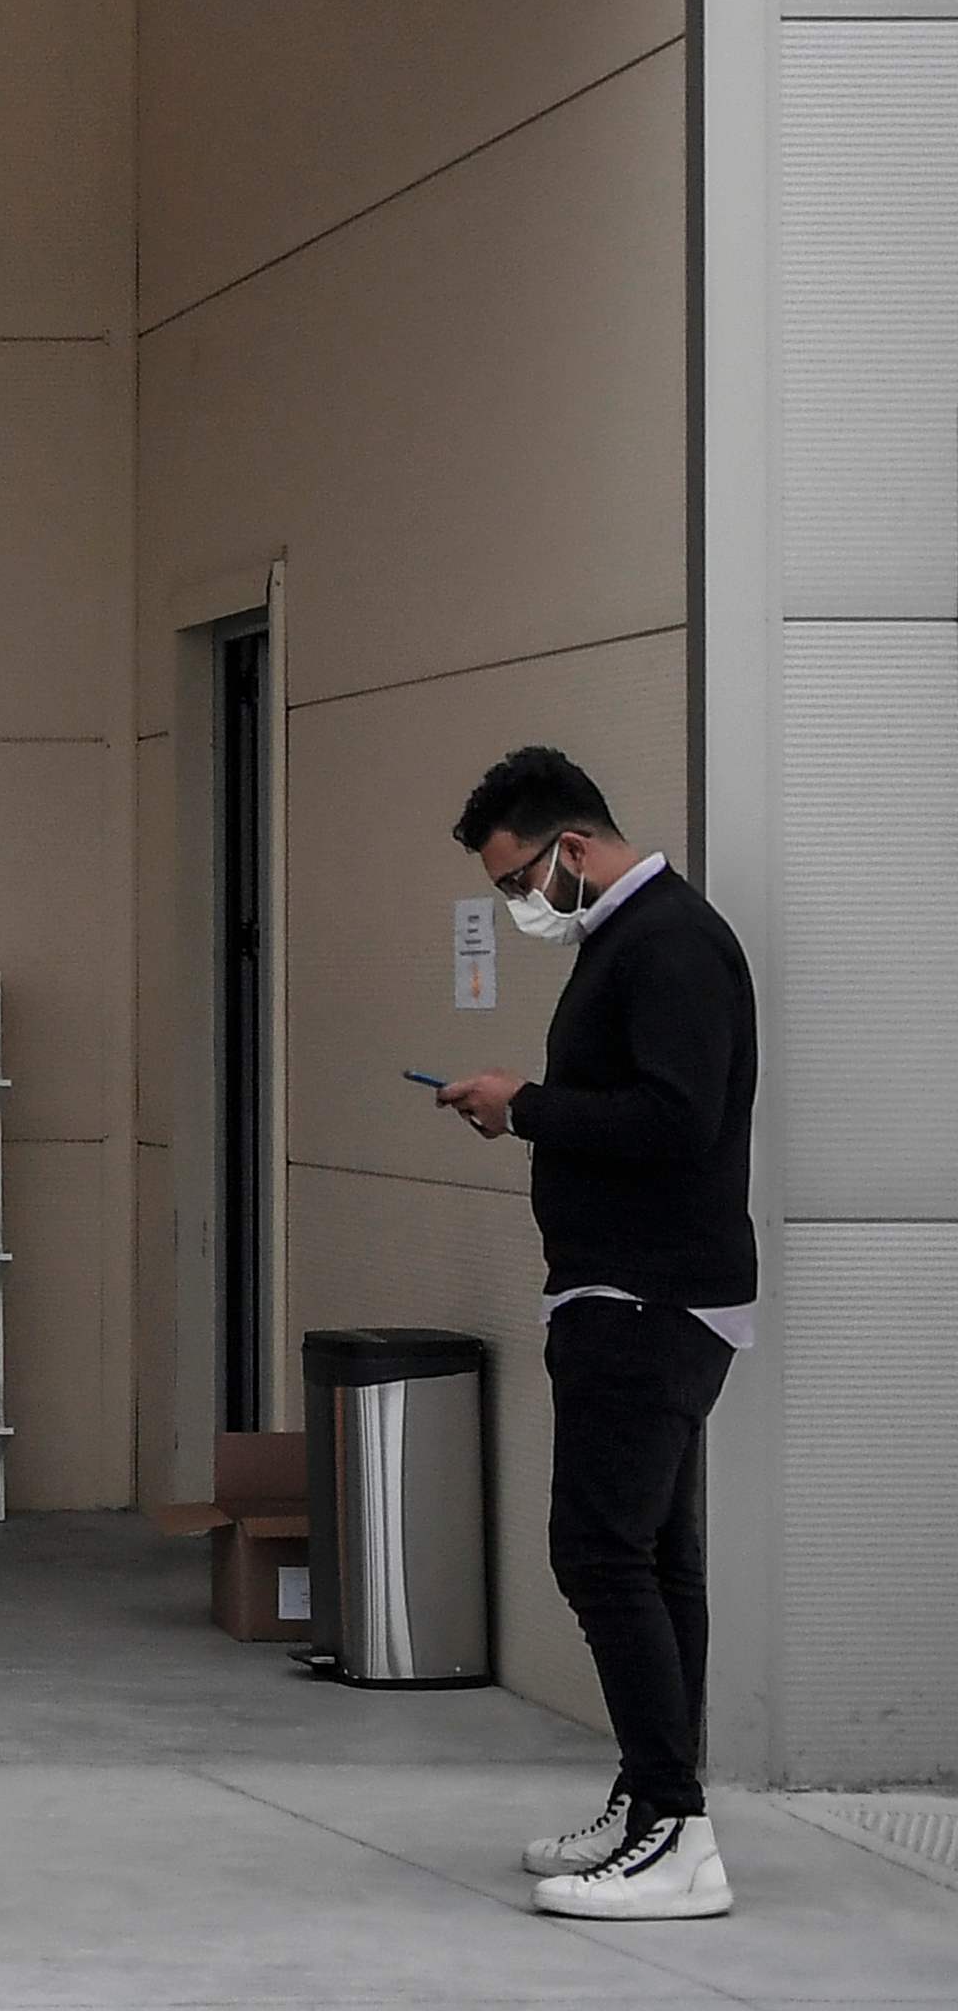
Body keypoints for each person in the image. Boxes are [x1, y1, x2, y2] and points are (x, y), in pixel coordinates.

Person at [433, 745, 758, 1926]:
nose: (520, 905)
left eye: (520, 879)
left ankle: (675, 1832)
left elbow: (678, 1117)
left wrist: (525, 1105)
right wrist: (530, 1112)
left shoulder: (668, 941)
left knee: (599, 1551)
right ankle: (650, 1798)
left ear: (572, 847)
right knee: (655, 1555)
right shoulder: (635, 938)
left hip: (648, 1299)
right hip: (634, 1293)